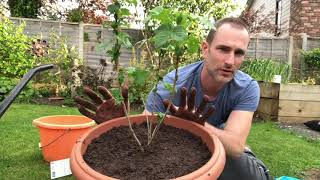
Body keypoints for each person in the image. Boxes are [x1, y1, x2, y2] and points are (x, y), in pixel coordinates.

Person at [75, 17, 270, 180]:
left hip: (230, 152)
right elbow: (147, 132)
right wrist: (120, 124)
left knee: (246, 173)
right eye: (223, 49)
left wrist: (200, 127)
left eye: (239, 53)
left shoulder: (246, 87)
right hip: (190, 145)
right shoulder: (172, 85)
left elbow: (235, 147)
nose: (230, 61)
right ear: (205, 48)